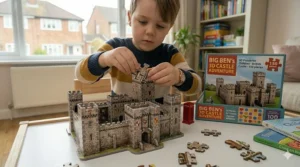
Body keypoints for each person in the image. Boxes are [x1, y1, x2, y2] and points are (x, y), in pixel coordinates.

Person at [75, 0, 202, 103]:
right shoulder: (114, 47)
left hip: (157, 123)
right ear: (130, 17)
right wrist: (104, 59)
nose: (150, 31)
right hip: (121, 122)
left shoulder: (170, 53)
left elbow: (197, 87)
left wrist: (179, 76)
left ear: (169, 28)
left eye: (160, 26)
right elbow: (81, 75)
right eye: (142, 21)